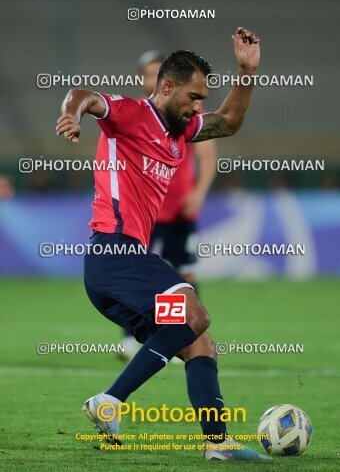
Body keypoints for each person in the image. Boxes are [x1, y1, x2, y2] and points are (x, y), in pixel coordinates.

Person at [56, 27, 269, 461]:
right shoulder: (131, 113)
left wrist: (246, 73)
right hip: (114, 254)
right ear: (166, 86)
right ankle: (110, 400)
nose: (198, 106)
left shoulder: (180, 131)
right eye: (193, 96)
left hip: (121, 267)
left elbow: (227, 122)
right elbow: (84, 94)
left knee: (199, 342)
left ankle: (218, 444)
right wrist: (73, 114)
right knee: (196, 313)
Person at [121, 51, 216, 361]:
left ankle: (184, 338)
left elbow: (206, 156)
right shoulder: (135, 115)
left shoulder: (184, 114)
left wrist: (199, 192)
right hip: (144, 214)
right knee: (143, 277)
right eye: (147, 74)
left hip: (179, 210)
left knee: (185, 277)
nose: (152, 79)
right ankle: (135, 335)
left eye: (155, 73)